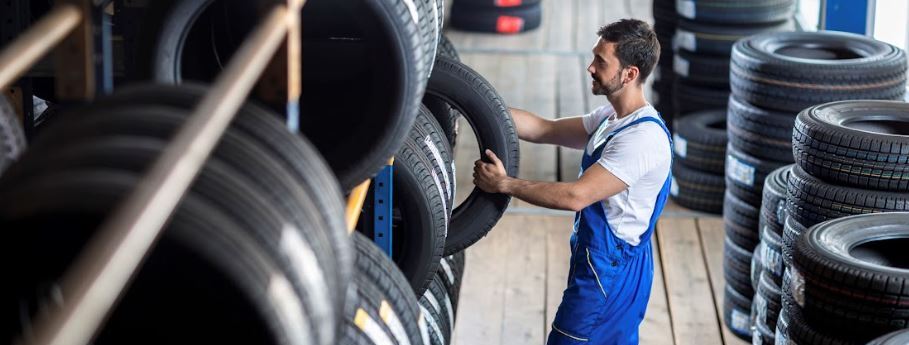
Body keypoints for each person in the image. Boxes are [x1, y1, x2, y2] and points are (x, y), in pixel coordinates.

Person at [472, 19, 671, 344]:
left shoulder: (642, 139)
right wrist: (474, 104)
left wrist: (505, 184)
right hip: (601, 262)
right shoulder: (611, 118)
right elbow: (544, 129)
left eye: (602, 63)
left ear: (630, 74)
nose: (591, 68)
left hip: (612, 272)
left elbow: (575, 196)